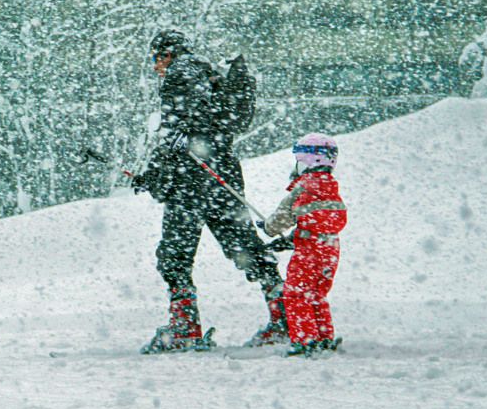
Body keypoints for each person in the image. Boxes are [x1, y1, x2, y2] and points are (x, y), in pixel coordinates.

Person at [131, 29, 287, 353]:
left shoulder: (179, 74)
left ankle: (184, 326)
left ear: (166, 54)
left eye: (155, 60)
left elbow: (178, 138)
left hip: (191, 181)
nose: (156, 68)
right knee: (246, 248)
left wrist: (156, 176)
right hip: (222, 176)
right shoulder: (211, 74)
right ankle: (285, 316)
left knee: (175, 256)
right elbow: (220, 123)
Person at [260, 133, 348, 356]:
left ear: (308, 161)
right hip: (331, 248)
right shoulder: (331, 186)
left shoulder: (303, 186)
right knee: (317, 294)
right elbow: (319, 221)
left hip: (308, 251)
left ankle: (305, 340)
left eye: (299, 162)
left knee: (296, 294)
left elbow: (281, 218)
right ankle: (324, 337)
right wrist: (292, 239)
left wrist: (268, 227)